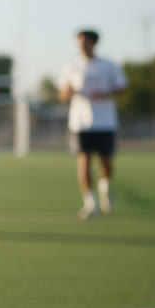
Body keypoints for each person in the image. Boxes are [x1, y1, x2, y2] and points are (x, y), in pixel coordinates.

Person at [58, 29, 128, 219]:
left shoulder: (108, 65)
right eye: (79, 41)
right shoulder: (70, 66)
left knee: (106, 163)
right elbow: (62, 95)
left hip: (105, 122)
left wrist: (102, 94)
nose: (82, 45)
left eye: (86, 41)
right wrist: (68, 91)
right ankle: (90, 202)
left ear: (93, 43)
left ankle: (104, 186)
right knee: (84, 161)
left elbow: (122, 88)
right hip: (80, 123)